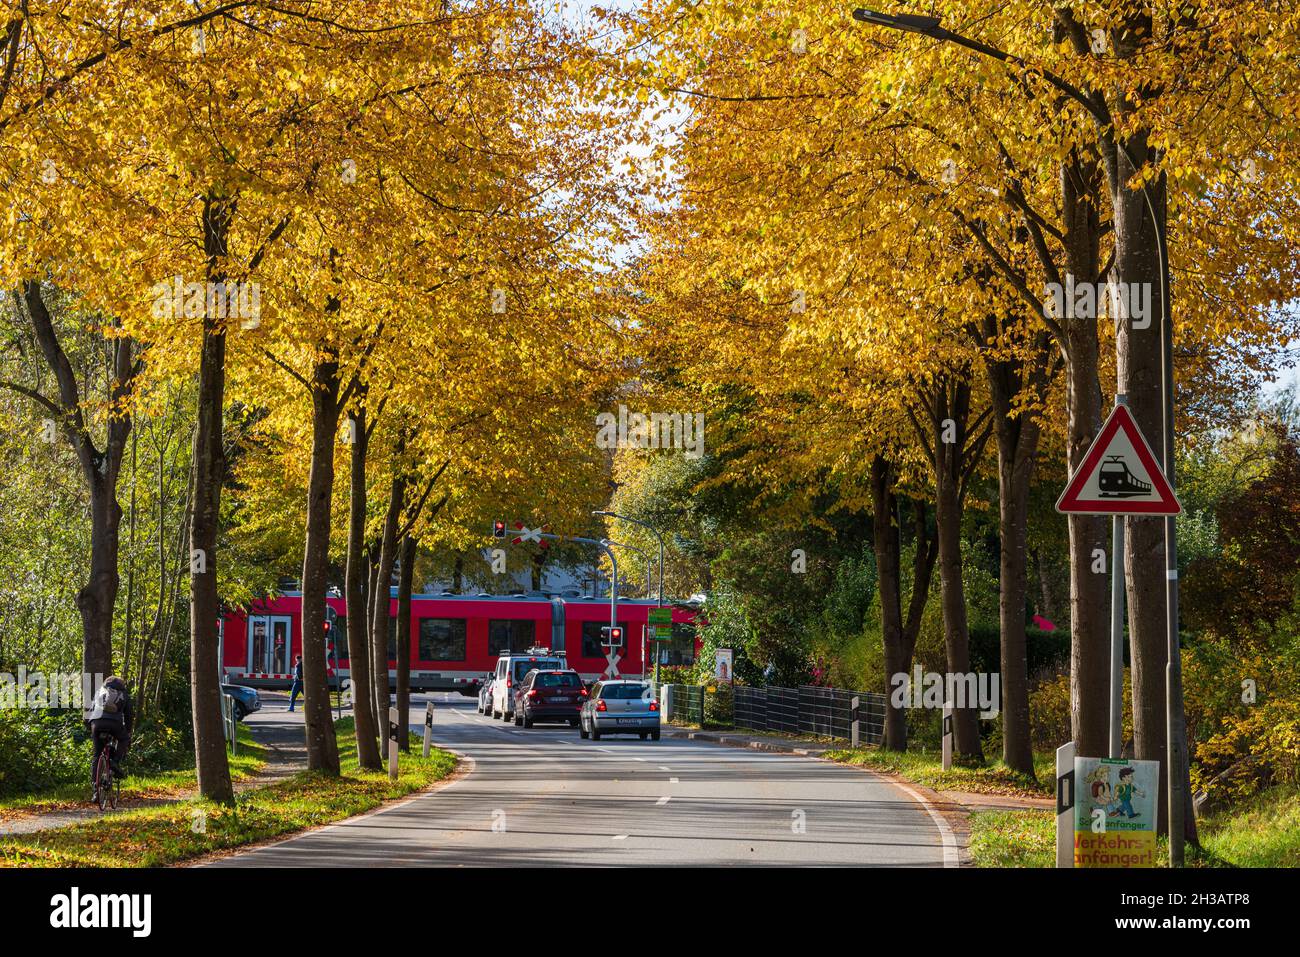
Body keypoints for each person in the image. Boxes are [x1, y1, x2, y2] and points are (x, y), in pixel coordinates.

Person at [88, 676, 133, 786]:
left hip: (96, 723)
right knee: (123, 739)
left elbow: (90, 710)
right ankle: (115, 762)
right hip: (114, 724)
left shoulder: (100, 691)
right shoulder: (123, 694)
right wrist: (128, 731)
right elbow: (128, 715)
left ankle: (95, 788)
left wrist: (90, 727)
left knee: (97, 755)